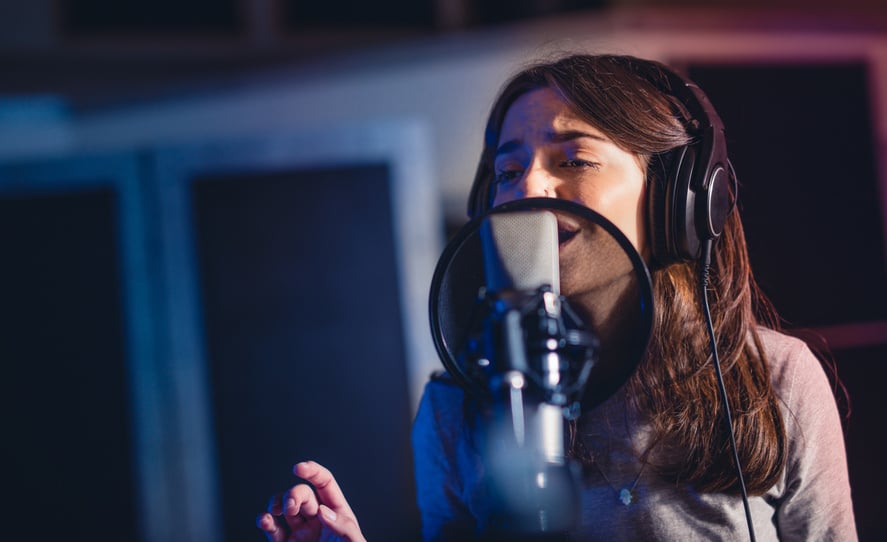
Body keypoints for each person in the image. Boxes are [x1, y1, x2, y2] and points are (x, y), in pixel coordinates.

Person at [258, 54, 856, 541]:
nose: (529, 189)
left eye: (574, 159)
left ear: (675, 201)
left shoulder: (774, 378)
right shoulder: (452, 410)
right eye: (508, 170)